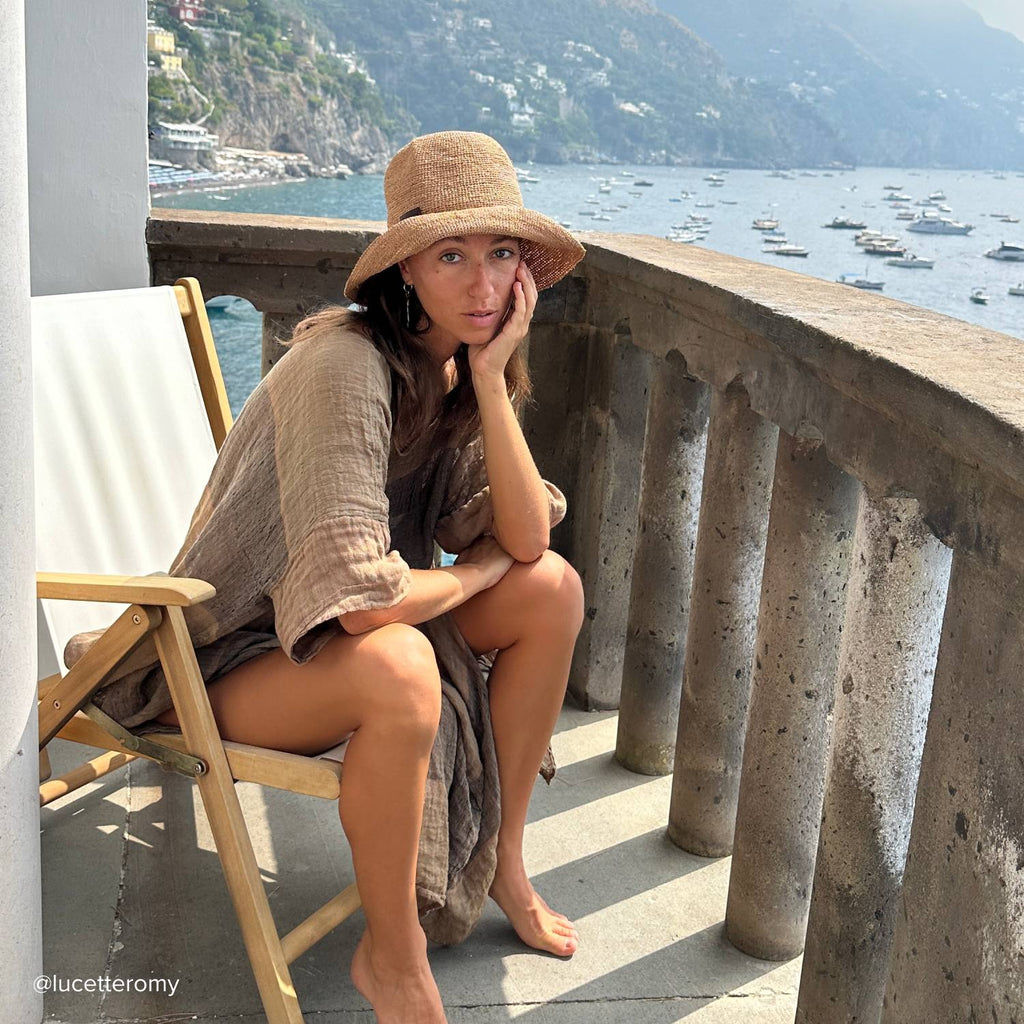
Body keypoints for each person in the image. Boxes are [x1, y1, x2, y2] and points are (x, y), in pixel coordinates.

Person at [67, 131, 586, 1024]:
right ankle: (393, 958)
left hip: (320, 635)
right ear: (405, 272)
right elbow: (362, 605)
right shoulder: (346, 365)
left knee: (552, 590)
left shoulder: (454, 372)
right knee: (399, 667)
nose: (483, 283)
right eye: (451, 255)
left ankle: (503, 863)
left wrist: (495, 385)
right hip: (217, 660)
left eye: (502, 253)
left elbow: (528, 541)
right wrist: (470, 577)